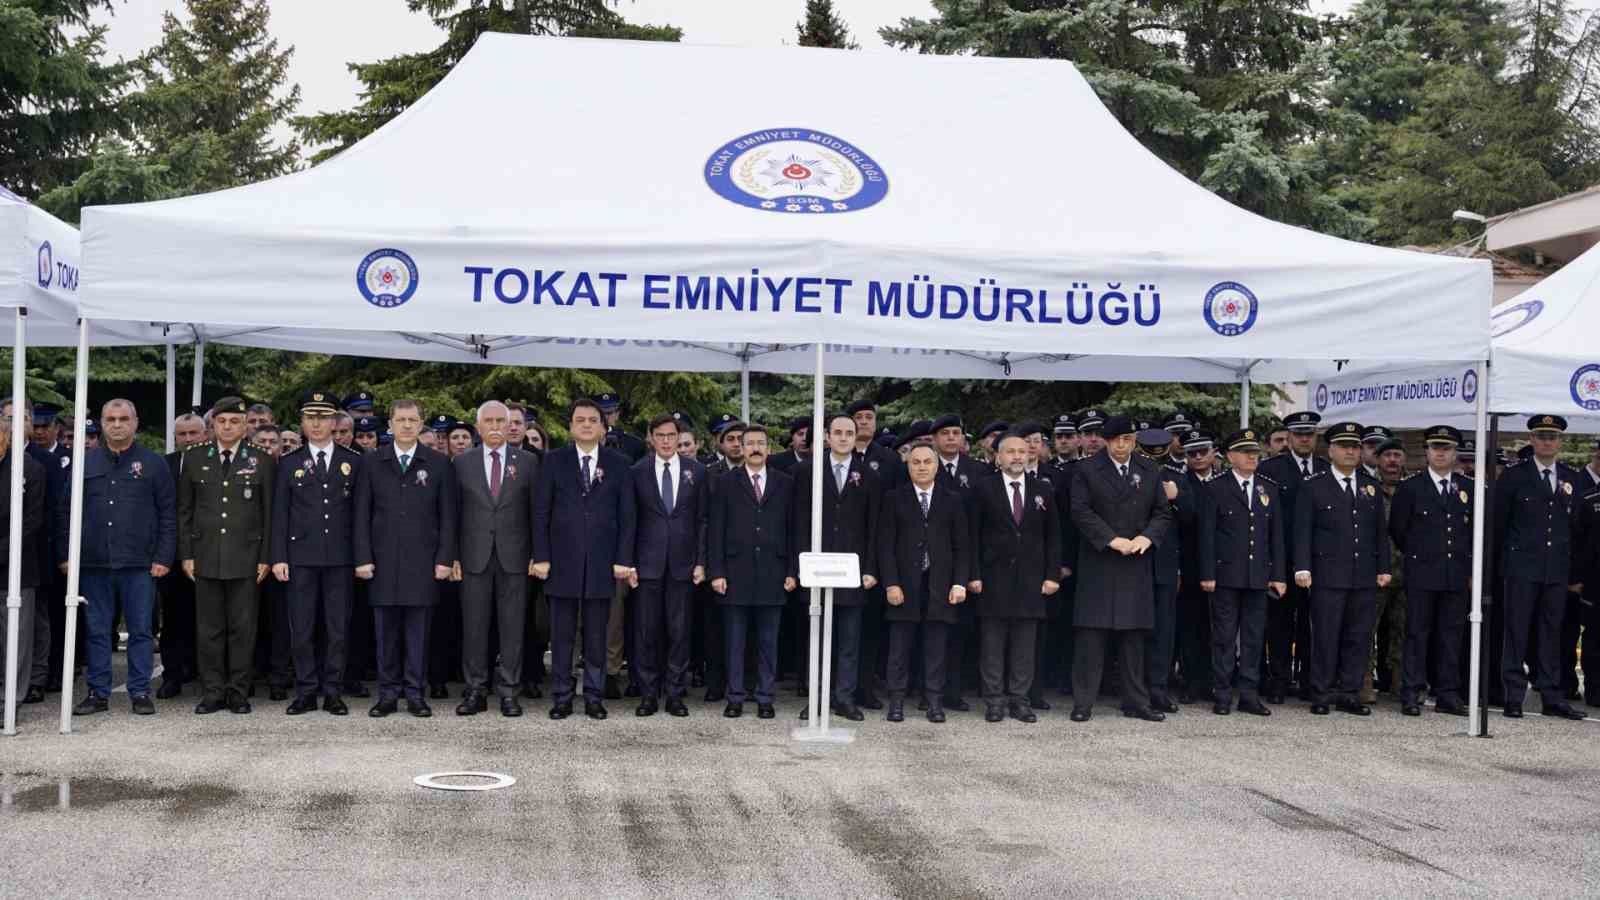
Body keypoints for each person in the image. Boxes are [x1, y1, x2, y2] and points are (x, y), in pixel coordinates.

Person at [532, 398, 634, 720]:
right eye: (580, 419)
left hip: (603, 564)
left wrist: (623, 559)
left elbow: (627, 516)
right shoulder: (553, 461)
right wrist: (542, 556)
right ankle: (562, 696)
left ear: (603, 426)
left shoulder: (619, 463)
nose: (587, 424)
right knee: (561, 636)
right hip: (561, 562)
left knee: (596, 636)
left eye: (593, 420)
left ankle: (593, 695)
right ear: (571, 425)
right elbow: (540, 513)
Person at [72, 400, 176, 717]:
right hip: (94, 562)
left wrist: (163, 557)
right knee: (97, 630)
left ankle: (140, 691)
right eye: (110, 419)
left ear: (135, 422)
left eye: (123, 419)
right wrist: (67, 556)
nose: (116, 424)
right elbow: (66, 512)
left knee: (142, 630)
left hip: (140, 564)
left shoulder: (154, 463)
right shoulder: (84, 463)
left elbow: (167, 515)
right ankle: (98, 692)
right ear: (101, 423)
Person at [355, 400, 457, 718]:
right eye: (401, 419)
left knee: (418, 633)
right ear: (390, 424)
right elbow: (360, 515)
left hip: (423, 563)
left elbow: (448, 517)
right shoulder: (372, 462)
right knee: (385, 633)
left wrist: (445, 558)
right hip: (382, 562)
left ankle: (415, 693)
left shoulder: (439, 463)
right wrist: (362, 557)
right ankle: (387, 694)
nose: (407, 425)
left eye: (413, 420)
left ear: (421, 423)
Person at [1068, 417, 1171, 723]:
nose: (1123, 445)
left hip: (1135, 561)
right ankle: (1083, 702)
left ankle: (1136, 701)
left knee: (1133, 639)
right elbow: (1080, 511)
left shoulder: (1148, 468)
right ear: (1106, 441)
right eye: (1117, 440)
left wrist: (1146, 537)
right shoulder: (1086, 469)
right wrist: (1111, 540)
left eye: (1128, 439)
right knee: (1091, 637)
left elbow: (1162, 512)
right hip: (1100, 560)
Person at [179, 397, 275, 715]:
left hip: (246, 558)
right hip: (205, 556)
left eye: (235, 421)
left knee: (242, 629)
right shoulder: (193, 458)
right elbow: (185, 511)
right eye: (222, 422)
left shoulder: (261, 459)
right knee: (209, 629)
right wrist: (187, 554)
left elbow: (268, 514)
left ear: (246, 425)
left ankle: (238, 691)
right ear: (213, 425)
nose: (228, 427)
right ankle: (213, 692)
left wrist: (265, 556)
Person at [270, 391, 363, 716]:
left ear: (334, 421)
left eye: (323, 417)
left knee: (338, 629)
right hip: (301, 558)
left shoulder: (353, 461)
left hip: (340, 557)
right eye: (311, 418)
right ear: (303, 422)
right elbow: (280, 513)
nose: (317, 423)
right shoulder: (289, 462)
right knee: (302, 628)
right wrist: (279, 556)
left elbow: (360, 515)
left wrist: (361, 556)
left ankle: (333, 691)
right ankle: (307, 691)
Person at [1292, 422, 1389, 716]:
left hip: (1363, 574)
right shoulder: (1314, 485)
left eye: (1355, 447)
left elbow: (1379, 532)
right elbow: (1302, 531)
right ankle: (1321, 692)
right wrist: (1302, 567)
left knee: (1358, 636)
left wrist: (1383, 567)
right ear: (1331, 450)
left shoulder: (1370, 486)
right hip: (1327, 575)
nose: (1351, 451)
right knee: (1325, 636)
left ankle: (1349, 692)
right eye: (1345, 446)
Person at [789, 413, 880, 722]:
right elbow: (798, 522)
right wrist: (798, 564)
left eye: (849, 433)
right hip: (816, 567)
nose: (843, 437)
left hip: (851, 571)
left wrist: (870, 568)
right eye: (837, 432)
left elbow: (873, 528)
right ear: (826, 436)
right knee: (816, 637)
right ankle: (816, 698)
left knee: (849, 640)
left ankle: (844, 698)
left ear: (856, 438)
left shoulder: (869, 475)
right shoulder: (805, 472)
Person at [1494, 415, 1586, 720]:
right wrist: (1497, 569)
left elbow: (1576, 530)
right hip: (1521, 568)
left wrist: (1573, 574)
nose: (1547, 441)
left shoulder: (1572, 478)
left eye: (1553, 437)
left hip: (1556, 571)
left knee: (1552, 634)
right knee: (1516, 632)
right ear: (1531, 440)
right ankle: (1513, 696)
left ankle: (1551, 695)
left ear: (1560, 442)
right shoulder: (1513, 476)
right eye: (1542, 436)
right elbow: (1499, 525)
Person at [453, 401, 539, 718]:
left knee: (513, 628)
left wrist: (537, 554)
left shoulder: (528, 463)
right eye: (487, 421)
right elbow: (453, 514)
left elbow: (536, 513)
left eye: (500, 421)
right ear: (478, 427)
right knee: (474, 627)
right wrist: (453, 557)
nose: (494, 426)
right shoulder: (461, 462)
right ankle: (475, 690)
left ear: (510, 425)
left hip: (515, 558)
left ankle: (509, 692)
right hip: (473, 556)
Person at [968, 431, 1061, 723]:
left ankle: (1019, 700)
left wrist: (1052, 575)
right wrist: (973, 574)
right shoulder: (982, 489)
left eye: (1022, 451)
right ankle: (994, 700)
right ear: (998, 457)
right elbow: (971, 535)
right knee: (992, 644)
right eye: (1011, 451)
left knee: (1024, 645)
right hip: (993, 579)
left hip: (1031, 580)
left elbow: (1054, 536)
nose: (1018, 456)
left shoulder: (1042, 489)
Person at [620, 412, 705, 717]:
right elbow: (629, 521)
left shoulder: (696, 471)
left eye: (672, 436)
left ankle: (675, 693)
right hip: (647, 565)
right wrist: (627, 563)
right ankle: (648, 693)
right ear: (651, 439)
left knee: (679, 632)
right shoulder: (637, 472)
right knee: (646, 632)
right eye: (661, 436)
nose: (667, 441)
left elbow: (702, 520)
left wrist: (701, 561)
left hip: (683, 565)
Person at [706, 425, 794, 719]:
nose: (755, 448)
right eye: (750, 443)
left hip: (774, 571)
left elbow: (793, 530)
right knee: (735, 641)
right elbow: (715, 529)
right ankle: (735, 697)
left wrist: (793, 570)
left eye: (761, 443)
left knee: (769, 642)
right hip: (735, 573)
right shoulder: (725, 483)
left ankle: (765, 697)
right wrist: (716, 571)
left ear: (769, 449)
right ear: (741, 449)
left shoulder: (785, 483)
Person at [1196, 429, 1285, 716]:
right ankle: (1222, 693)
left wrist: (1279, 574)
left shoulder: (1268, 488)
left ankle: (1248, 694)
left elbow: (1276, 537)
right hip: (1225, 576)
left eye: (1255, 452)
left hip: (1258, 576)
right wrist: (1207, 574)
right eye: (1245, 452)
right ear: (1231, 456)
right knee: (1223, 637)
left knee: (1253, 637)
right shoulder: (1215, 488)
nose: (1251, 457)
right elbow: (1207, 536)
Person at [878, 444, 970, 722]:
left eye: (927, 462)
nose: (921, 466)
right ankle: (896, 702)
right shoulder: (894, 498)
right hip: (904, 585)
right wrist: (891, 583)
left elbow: (962, 546)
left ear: (936, 466)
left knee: (936, 648)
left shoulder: (952, 499)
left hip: (940, 585)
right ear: (908, 466)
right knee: (899, 649)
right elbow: (885, 546)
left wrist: (959, 583)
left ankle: (934, 702)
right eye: (915, 462)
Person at [1387, 426, 1472, 717]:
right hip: (1422, 573)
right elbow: (1399, 529)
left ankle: (1448, 693)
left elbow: (1474, 532)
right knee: (1416, 634)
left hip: (1456, 574)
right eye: (1435, 447)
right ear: (1426, 452)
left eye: (1446, 448)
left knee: (1451, 636)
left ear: (1454, 453)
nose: (1440, 452)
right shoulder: (1411, 488)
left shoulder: (1468, 488)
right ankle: (1411, 692)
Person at [1257, 410, 1328, 703]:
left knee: (1315, 624)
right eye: (1298, 434)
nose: (1304, 438)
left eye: (1309, 434)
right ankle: (1280, 680)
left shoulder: (1326, 468)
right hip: (1283, 561)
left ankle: (1312, 679)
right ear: (1288, 437)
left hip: (1320, 560)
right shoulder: (1271, 469)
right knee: (1281, 625)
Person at [1138, 423, 1192, 714]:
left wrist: (1177, 498)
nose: (1154, 462)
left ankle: (1157, 688)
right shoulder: (1132, 477)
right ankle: (1134, 688)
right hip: (1134, 563)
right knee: (1135, 631)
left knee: (1164, 631)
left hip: (1166, 565)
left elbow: (1192, 519)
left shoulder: (1176, 479)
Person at [154, 412, 207, 699]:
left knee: (209, 619)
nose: (188, 439)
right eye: (182, 434)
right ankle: (172, 674)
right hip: (174, 556)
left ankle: (204, 673)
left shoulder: (217, 461)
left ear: (205, 434)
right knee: (173, 620)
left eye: (193, 433)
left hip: (211, 554)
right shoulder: (165, 465)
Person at [0, 410, 45, 709]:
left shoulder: (28, 468)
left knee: (16, 636)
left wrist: (2, 550)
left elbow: (32, 520)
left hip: (16, 565)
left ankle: (10, 698)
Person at [1175, 429, 1219, 702]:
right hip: (1190, 566)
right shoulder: (1180, 483)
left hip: (1222, 566)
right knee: (1191, 627)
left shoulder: (1225, 482)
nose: (1199, 457)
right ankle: (1192, 681)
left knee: (1220, 628)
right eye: (1193, 452)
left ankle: (1216, 680)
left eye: (1204, 451)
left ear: (1214, 453)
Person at [596, 391, 647, 463]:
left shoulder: (634, 444)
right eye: (601, 413)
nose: (605, 417)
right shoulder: (584, 441)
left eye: (609, 413)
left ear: (617, 414)